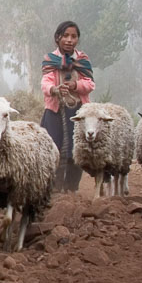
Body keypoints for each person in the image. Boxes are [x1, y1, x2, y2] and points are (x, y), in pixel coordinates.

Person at [40, 21, 94, 192]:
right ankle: (54, 188)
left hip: (77, 111)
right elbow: (45, 83)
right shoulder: (50, 60)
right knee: (54, 148)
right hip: (55, 110)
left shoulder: (82, 60)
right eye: (66, 36)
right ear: (58, 38)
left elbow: (90, 84)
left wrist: (75, 86)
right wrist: (55, 89)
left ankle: (71, 188)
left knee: (75, 151)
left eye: (74, 36)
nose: (70, 40)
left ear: (77, 39)